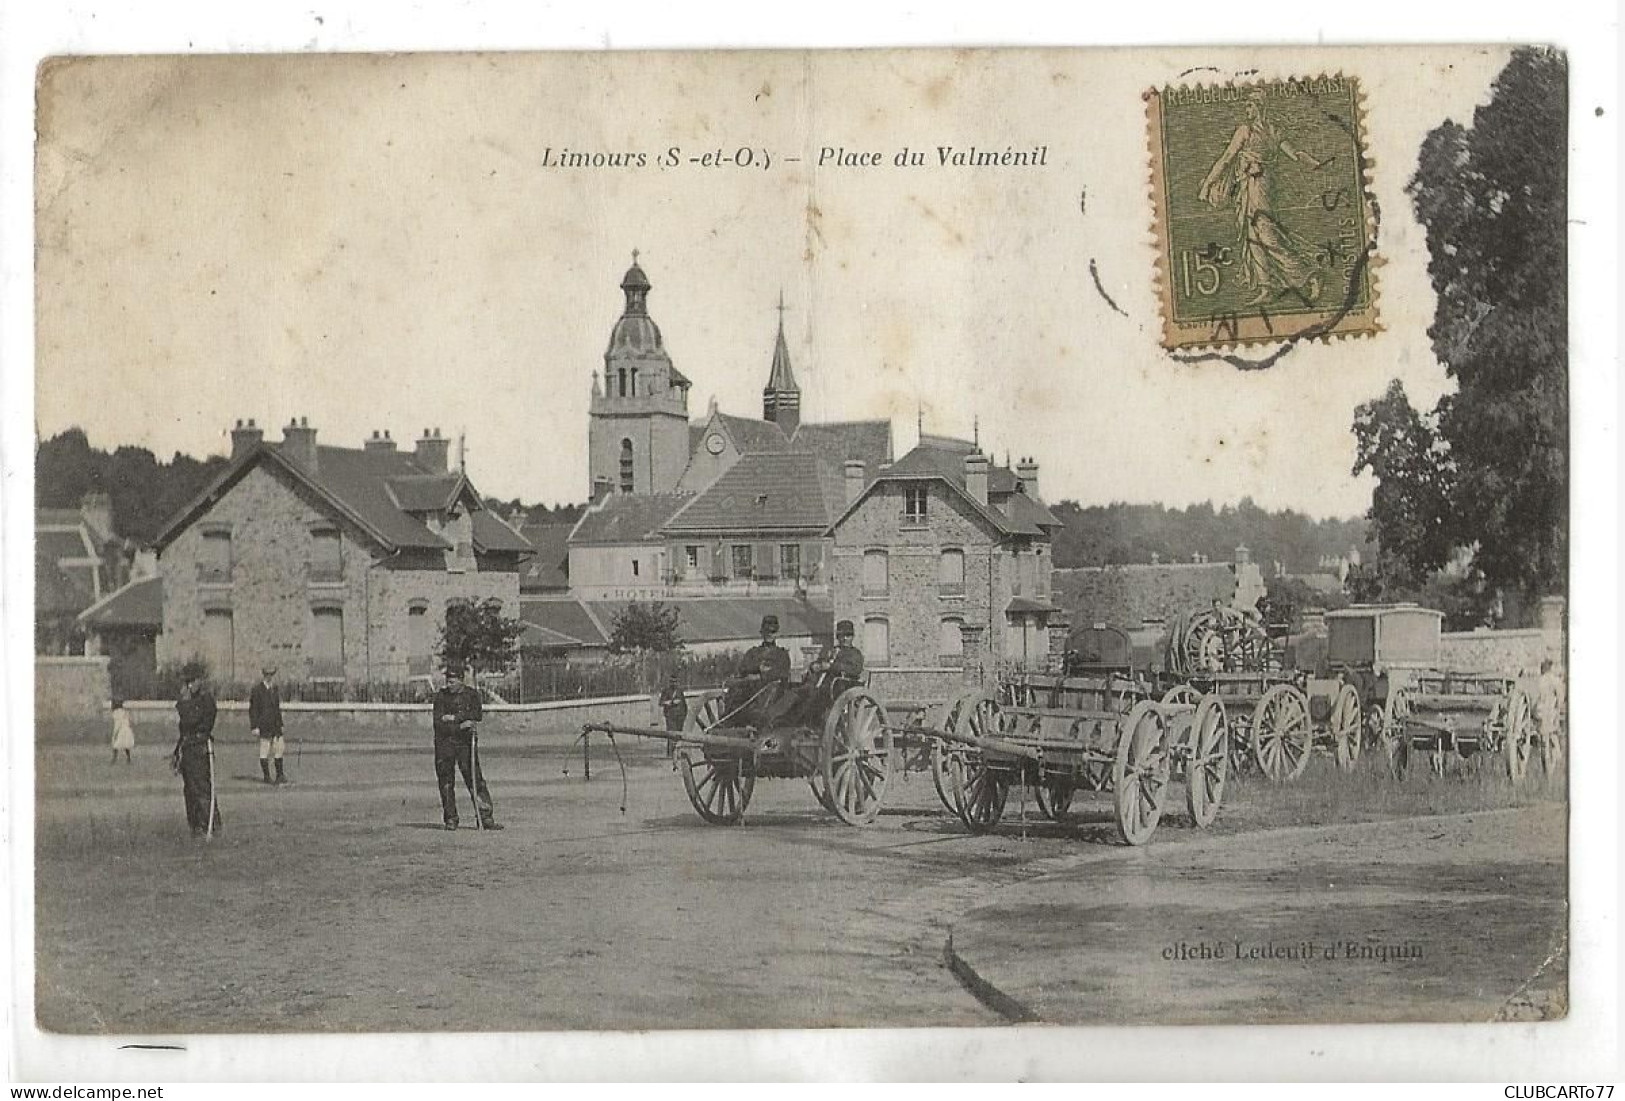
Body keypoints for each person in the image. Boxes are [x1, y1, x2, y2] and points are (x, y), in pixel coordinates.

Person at [1197, 89, 1335, 306]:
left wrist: (1315, 164)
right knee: (1252, 235)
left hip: (1260, 187)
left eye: (1250, 106)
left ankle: (1310, 275)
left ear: (1260, 106)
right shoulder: (1255, 130)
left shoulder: (1259, 131)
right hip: (1247, 188)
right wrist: (1208, 183)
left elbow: (1294, 154)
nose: (1247, 109)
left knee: (1268, 236)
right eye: (1247, 106)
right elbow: (1226, 160)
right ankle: (1266, 287)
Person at [432, 663, 500, 831]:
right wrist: (460, 723)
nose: (448, 685)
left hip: (465, 744)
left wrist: (453, 718)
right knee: (446, 782)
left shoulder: (472, 695)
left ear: (461, 680)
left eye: (452, 681)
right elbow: (439, 723)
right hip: (444, 744)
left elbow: (476, 715)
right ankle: (451, 819)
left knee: (475, 779)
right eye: (447, 681)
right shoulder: (440, 697)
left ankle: (485, 817)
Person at [171, 662, 222, 837]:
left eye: (192, 681)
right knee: (190, 790)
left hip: (200, 749)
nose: (189, 685)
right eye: (187, 682)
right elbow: (184, 730)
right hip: (188, 749)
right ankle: (195, 825)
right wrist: (177, 752)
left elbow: (191, 720)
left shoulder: (205, 700)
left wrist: (184, 704)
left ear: (200, 681)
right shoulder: (189, 701)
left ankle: (210, 824)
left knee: (202, 789)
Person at [725, 615, 792, 726]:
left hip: (771, 696)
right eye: (767, 631)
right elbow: (743, 668)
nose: (769, 635)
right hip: (748, 691)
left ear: (777, 634)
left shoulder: (782, 654)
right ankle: (730, 718)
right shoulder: (753, 652)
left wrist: (761, 676)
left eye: (773, 632)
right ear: (762, 633)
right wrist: (757, 668)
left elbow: (782, 672)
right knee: (734, 691)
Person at [804, 619, 866, 719]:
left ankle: (812, 723)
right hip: (822, 685)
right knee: (803, 692)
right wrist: (814, 666)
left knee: (816, 696)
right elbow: (819, 661)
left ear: (852, 637)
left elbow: (855, 669)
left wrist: (831, 667)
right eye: (842, 636)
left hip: (840, 687)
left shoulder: (855, 654)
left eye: (848, 636)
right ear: (838, 637)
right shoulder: (831, 651)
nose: (845, 639)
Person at [249, 664, 289, 785]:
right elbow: (253, 709)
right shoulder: (257, 690)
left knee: (279, 748)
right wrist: (254, 726)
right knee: (264, 750)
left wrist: (281, 723)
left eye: (271, 674)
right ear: (264, 675)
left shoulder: (274, 689)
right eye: (267, 674)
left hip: (275, 724)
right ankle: (267, 776)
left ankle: (280, 775)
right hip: (264, 724)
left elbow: (277, 708)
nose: (269, 677)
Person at [658, 674, 687, 758]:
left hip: (680, 716)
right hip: (670, 716)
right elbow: (661, 703)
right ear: (669, 682)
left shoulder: (680, 691)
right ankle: (670, 753)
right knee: (671, 734)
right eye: (672, 682)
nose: (674, 684)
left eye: (675, 682)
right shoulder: (666, 691)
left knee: (679, 735)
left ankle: (678, 753)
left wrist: (685, 714)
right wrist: (671, 702)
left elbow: (684, 703)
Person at [109, 698, 135, 764]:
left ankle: (114, 759)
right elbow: (128, 721)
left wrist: (114, 734)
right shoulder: (124, 712)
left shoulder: (116, 713)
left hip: (122, 730)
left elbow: (117, 724)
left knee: (116, 745)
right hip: (127, 729)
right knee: (126, 745)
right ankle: (128, 759)